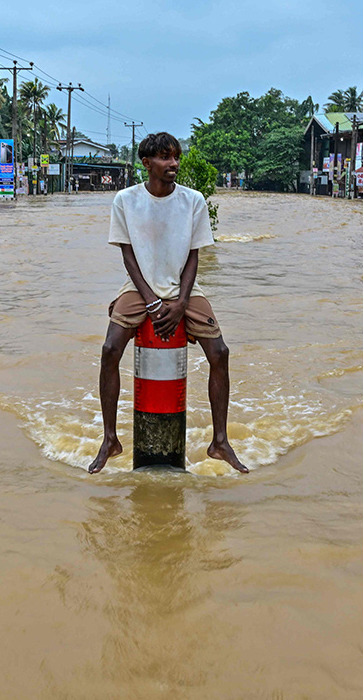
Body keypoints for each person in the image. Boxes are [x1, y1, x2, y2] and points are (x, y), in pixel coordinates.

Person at [88, 131, 247, 475]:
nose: (173, 163)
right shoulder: (125, 200)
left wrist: (180, 303)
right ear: (146, 164)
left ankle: (220, 441)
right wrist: (150, 302)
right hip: (138, 286)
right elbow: (128, 256)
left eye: (175, 156)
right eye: (164, 157)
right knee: (109, 349)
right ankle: (110, 439)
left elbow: (194, 257)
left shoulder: (193, 201)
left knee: (220, 353)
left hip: (184, 288)